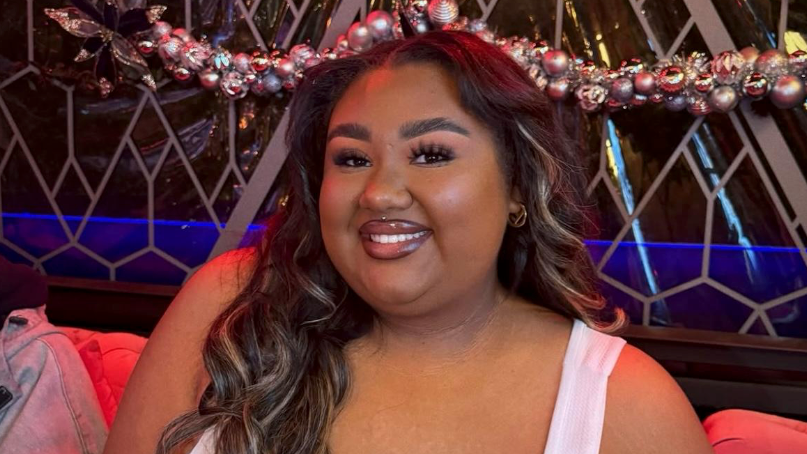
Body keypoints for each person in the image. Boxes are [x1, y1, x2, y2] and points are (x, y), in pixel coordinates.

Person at [104, 31, 713, 454]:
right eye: (351, 158)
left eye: (431, 154)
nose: (378, 193)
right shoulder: (230, 306)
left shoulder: (625, 404)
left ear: (519, 190)